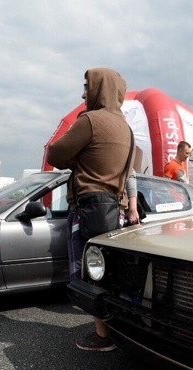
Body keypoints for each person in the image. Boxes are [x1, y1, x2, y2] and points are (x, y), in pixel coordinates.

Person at [46, 67, 135, 352]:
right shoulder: (127, 129)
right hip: (114, 210)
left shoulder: (91, 121)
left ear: (100, 89)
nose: (84, 93)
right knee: (108, 273)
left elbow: (55, 153)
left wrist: (76, 162)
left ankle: (102, 335)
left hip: (87, 208)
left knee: (88, 274)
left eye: (87, 86)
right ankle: (117, 330)